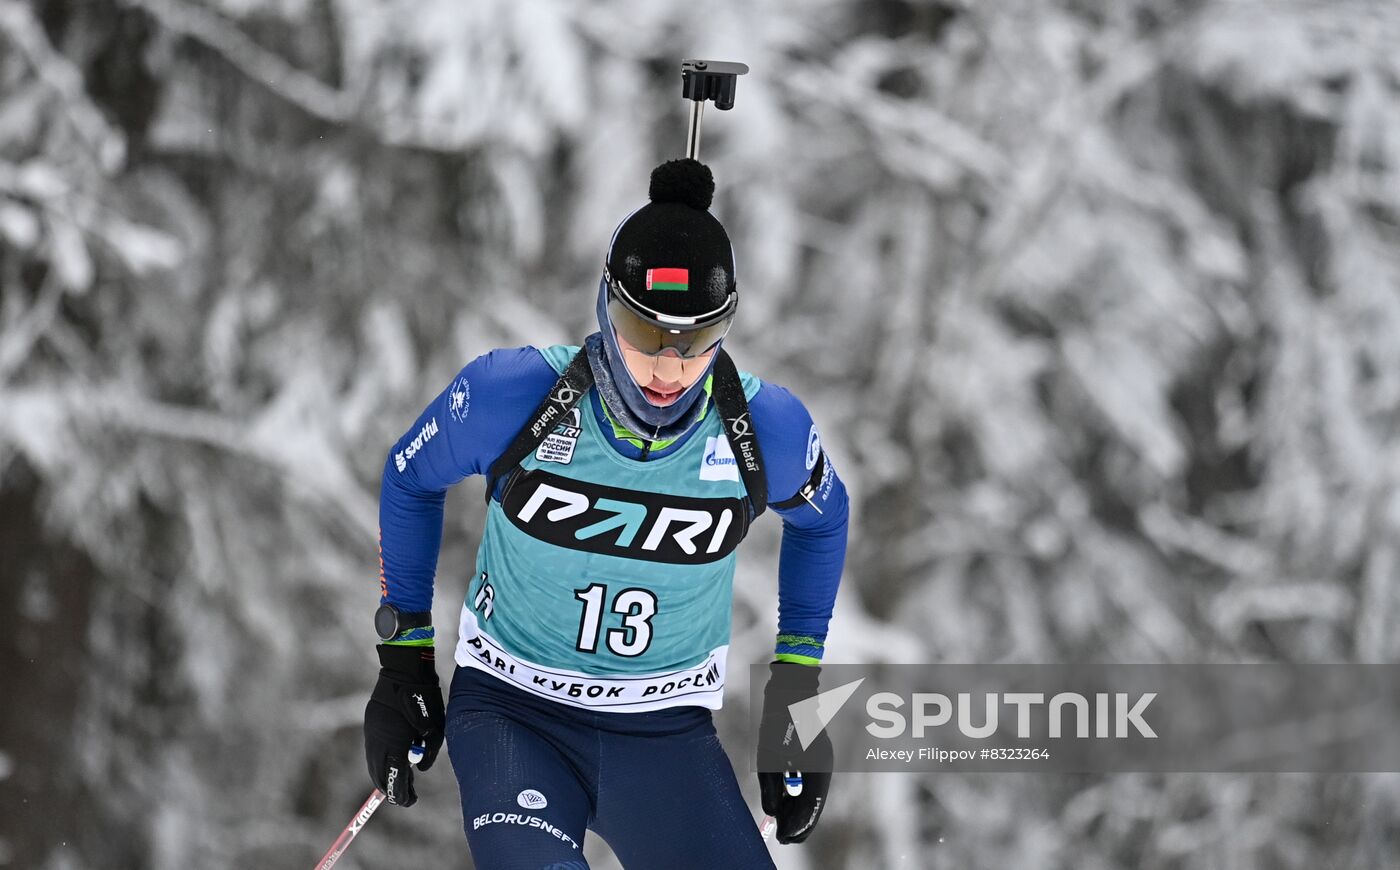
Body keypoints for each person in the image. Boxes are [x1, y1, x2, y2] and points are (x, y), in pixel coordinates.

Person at [364, 158, 849, 869]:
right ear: (605, 303)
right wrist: (403, 660)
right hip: (511, 711)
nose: (666, 369)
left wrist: (797, 696)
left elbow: (823, 522)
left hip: (665, 735)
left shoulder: (759, 429)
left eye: (694, 343)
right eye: (643, 333)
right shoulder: (516, 394)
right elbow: (410, 477)